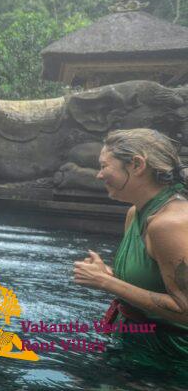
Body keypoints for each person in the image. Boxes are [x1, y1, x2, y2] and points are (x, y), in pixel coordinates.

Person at [73, 128, 188, 365]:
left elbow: (185, 309)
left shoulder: (169, 224)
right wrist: (109, 275)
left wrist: (107, 282)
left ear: (137, 165)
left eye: (104, 166)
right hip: (135, 345)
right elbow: (152, 283)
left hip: (171, 359)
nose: (99, 175)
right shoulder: (135, 213)